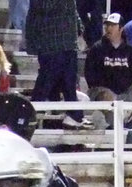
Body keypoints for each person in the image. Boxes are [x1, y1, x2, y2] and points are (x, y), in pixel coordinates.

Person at [84, 10, 132, 127]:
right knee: (107, 95)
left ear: (121, 28)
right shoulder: (96, 48)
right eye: (107, 25)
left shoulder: (131, 51)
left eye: (112, 25)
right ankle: (117, 126)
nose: (108, 28)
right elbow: (90, 75)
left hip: (124, 92)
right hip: (102, 92)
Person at [26, 0, 83, 129]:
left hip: (69, 43)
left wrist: (79, 26)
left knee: (69, 83)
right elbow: (43, 7)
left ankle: (74, 115)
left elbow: (72, 10)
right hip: (50, 43)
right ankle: (30, 113)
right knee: (47, 81)